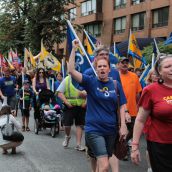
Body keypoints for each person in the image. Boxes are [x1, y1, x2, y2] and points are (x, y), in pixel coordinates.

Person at [68, 39, 128, 172]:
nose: (102, 68)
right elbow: (71, 70)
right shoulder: (90, 81)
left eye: (104, 66)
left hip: (111, 130)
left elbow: (122, 105)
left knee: (103, 164)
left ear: (109, 68)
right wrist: (73, 49)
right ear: (95, 67)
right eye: (99, 66)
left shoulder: (115, 85)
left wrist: (123, 125)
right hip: (94, 130)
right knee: (105, 165)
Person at [131, 54, 172, 172]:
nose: (171, 68)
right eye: (167, 66)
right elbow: (140, 120)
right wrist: (135, 146)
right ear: (159, 72)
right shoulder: (151, 90)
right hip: (160, 145)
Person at [118, 57, 142, 160]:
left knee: (132, 131)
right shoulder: (116, 76)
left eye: (126, 62)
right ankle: (122, 150)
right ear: (118, 64)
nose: (125, 64)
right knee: (122, 131)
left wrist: (138, 106)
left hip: (133, 111)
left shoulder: (134, 76)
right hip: (120, 111)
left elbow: (138, 93)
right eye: (122, 62)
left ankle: (122, 145)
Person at [57, 75, 86, 151]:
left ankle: (78, 144)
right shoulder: (67, 80)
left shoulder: (84, 79)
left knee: (80, 125)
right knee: (67, 125)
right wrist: (66, 102)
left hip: (81, 106)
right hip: (69, 106)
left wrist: (86, 103)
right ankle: (67, 136)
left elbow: (91, 92)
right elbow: (59, 93)